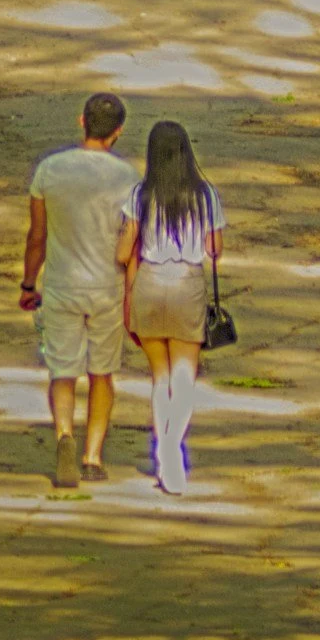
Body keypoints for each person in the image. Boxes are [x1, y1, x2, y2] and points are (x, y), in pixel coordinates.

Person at [19, 91, 139, 489]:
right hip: (107, 287)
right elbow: (133, 242)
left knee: (63, 371)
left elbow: (37, 236)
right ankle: (92, 457)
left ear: (81, 121)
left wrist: (28, 283)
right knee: (102, 373)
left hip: (61, 284)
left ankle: (64, 435)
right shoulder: (128, 179)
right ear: (119, 131)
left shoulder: (49, 170)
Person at [119, 119, 226, 494]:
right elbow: (214, 249)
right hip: (187, 285)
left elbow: (123, 251)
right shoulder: (206, 195)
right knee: (183, 379)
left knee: (160, 378)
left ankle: (162, 449)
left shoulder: (139, 194)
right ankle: (170, 448)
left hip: (149, 282)